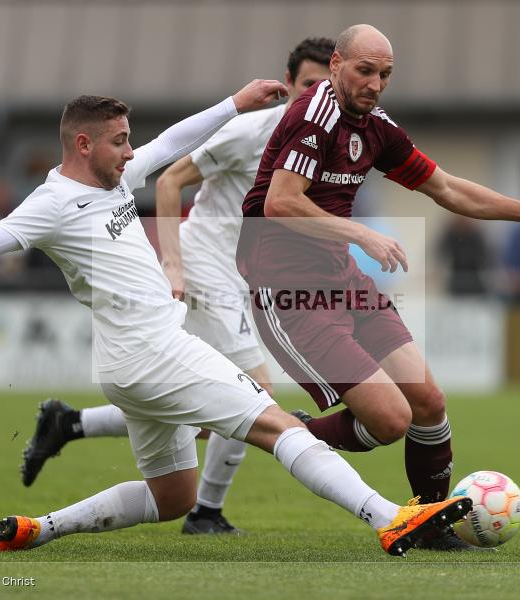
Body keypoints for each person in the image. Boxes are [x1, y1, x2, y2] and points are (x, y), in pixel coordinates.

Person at [0, 79, 473, 556]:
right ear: (84, 143)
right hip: (156, 354)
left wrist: (235, 102)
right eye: (120, 141)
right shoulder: (52, 204)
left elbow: (174, 142)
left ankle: (37, 530)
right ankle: (390, 518)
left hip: (129, 367)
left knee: (173, 496)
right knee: (276, 425)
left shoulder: (113, 181)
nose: (131, 152)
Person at [237, 24, 520, 551]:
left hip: (340, 275)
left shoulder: (376, 126)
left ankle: (428, 524)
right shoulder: (312, 117)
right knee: (389, 420)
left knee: (427, 402)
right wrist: (360, 231)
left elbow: (447, 187)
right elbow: (280, 203)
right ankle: (287, 433)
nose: (375, 83)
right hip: (288, 288)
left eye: (385, 74)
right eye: (365, 70)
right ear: (336, 64)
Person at [18, 37, 335, 536]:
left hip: (244, 275)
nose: (314, 95)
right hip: (205, 263)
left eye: (325, 88)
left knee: (198, 401)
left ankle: (71, 424)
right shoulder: (252, 132)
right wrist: (174, 263)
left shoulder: (327, 140)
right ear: (288, 85)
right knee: (256, 397)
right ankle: (205, 511)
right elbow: (168, 180)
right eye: (307, 85)